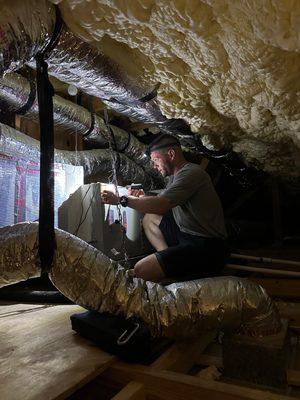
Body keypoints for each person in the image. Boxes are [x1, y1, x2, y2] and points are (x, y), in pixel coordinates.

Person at [101, 134, 227, 282]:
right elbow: (161, 201)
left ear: (171, 154)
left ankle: (175, 271)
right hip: (186, 233)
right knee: (150, 219)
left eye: (156, 160)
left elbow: (161, 205)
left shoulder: (191, 173)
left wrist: (121, 200)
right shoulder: (176, 177)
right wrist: (142, 197)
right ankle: (169, 259)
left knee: (141, 270)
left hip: (207, 246)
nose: (154, 166)